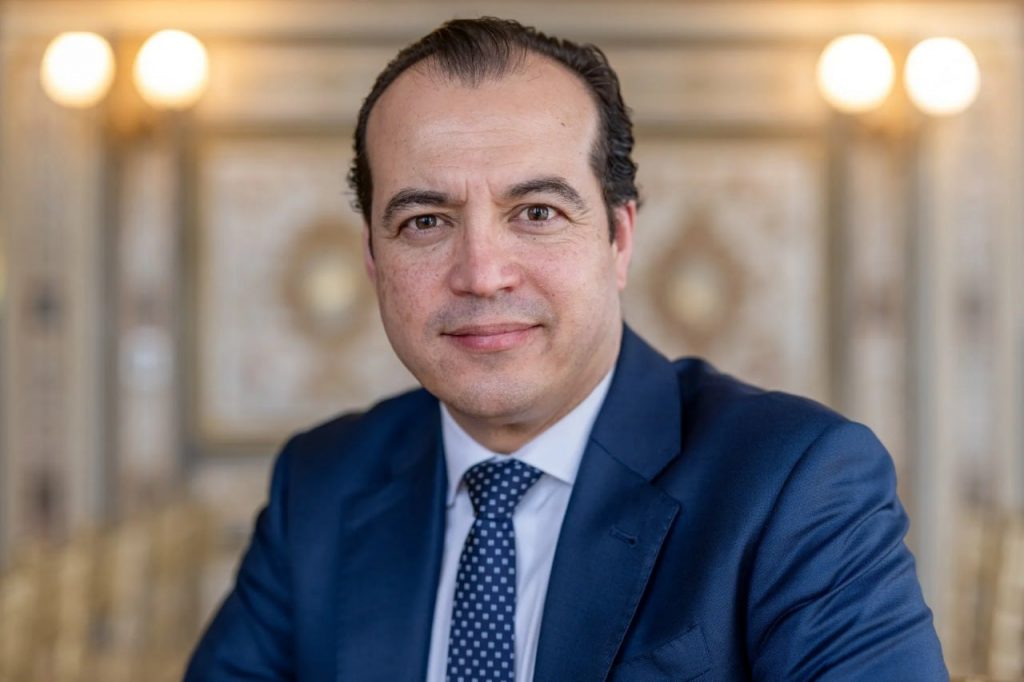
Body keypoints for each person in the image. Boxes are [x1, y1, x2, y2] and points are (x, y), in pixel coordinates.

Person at [186, 17, 948, 681]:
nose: (481, 274)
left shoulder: (797, 483)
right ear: (373, 259)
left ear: (619, 239)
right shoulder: (321, 483)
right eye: (425, 222)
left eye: (538, 212)